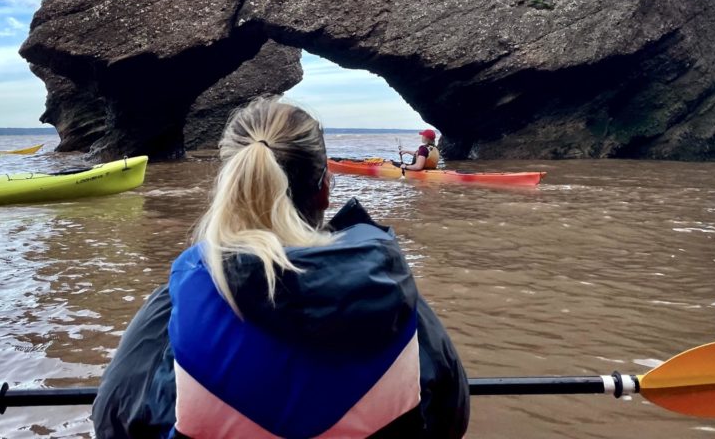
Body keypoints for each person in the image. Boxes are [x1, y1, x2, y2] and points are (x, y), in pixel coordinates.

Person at [92, 98, 469, 439]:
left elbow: (112, 421)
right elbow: (452, 416)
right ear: (324, 189)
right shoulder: (393, 289)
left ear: (230, 183)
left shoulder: (179, 297)